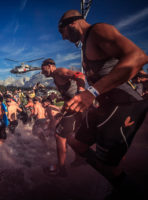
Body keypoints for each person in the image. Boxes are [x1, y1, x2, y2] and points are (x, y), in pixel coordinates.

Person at [58, 10, 148, 196]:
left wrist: (92, 92)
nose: (64, 38)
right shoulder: (85, 46)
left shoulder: (98, 31)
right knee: (76, 144)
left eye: (63, 33)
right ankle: (112, 172)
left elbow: (139, 57)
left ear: (72, 23)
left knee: (107, 165)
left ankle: (127, 189)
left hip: (124, 104)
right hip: (104, 104)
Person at [41, 58, 86, 176]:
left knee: (59, 135)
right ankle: (79, 158)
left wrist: (80, 93)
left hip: (77, 106)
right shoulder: (55, 78)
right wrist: (58, 98)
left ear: (50, 66)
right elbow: (69, 90)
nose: (42, 72)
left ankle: (61, 169)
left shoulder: (59, 72)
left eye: (43, 68)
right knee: (71, 136)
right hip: (76, 107)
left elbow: (80, 75)